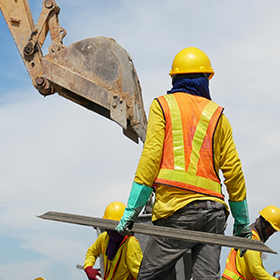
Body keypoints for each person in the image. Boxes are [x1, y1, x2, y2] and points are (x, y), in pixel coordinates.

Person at [115, 47, 252, 280]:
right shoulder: (218, 115)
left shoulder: (163, 106)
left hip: (176, 211)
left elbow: (150, 160)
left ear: (175, 78)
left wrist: (132, 211)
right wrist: (242, 222)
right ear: (205, 79)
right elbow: (234, 172)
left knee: (150, 277)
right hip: (214, 215)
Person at [84, 201, 143, 280]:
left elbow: (140, 275)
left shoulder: (130, 244)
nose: (113, 231)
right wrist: (88, 268)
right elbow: (92, 252)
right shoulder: (104, 238)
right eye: (110, 226)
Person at [222, 205, 280, 280]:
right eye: (272, 228)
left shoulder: (254, 237)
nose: (272, 232)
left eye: (275, 231)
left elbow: (257, 266)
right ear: (264, 224)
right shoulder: (252, 238)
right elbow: (255, 268)